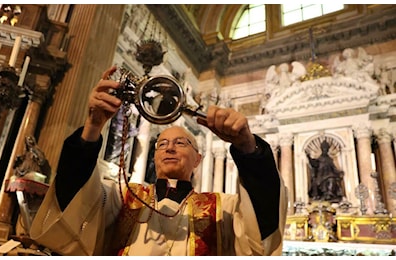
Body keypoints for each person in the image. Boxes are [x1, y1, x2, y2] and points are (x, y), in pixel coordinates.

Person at [30, 66, 287, 256]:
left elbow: (260, 235)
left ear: (197, 159)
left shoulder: (225, 210)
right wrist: (92, 128)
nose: (170, 148)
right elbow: (74, 200)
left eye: (180, 143)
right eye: (162, 144)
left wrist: (248, 149)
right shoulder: (121, 198)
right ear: (154, 156)